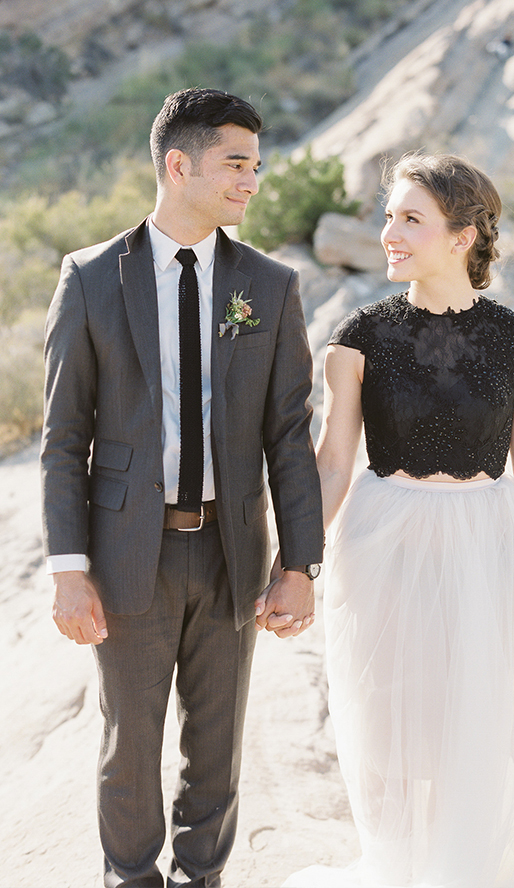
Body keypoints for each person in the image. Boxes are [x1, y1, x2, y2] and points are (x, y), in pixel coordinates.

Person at [282, 153, 514, 887]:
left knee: (472, 726)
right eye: (388, 216)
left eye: (409, 218)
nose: (389, 232)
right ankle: (395, 870)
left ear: (462, 235)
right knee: (386, 724)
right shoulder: (360, 336)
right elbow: (332, 464)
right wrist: (297, 566)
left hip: (487, 540)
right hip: (381, 541)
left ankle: (459, 873)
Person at [40, 87, 324, 888]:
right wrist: (68, 568)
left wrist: (300, 562)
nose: (252, 182)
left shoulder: (268, 285)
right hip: (129, 553)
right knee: (129, 747)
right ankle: (128, 880)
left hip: (232, 552)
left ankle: (204, 879)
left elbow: (287, 435)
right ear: (178, 164)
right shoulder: (93, 277)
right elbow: (64, 440)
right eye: (237, 163)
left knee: (218, 751)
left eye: (257, 166)